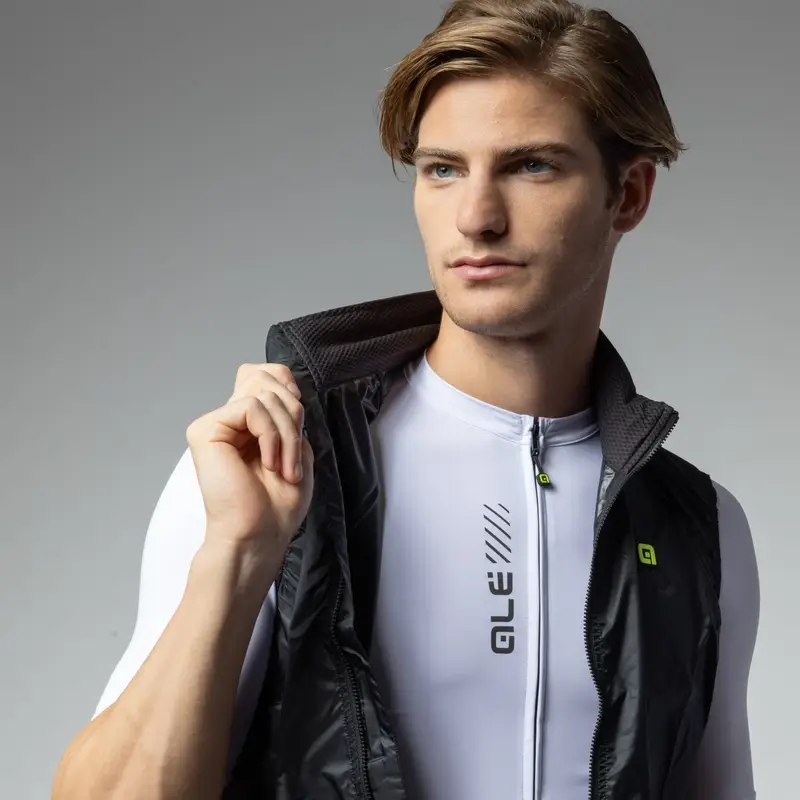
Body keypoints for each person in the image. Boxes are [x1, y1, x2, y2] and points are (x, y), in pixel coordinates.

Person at [52, 1, 760, 798]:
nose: (476, 218)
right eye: (443, 169)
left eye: (531, 166)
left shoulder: (699, 529)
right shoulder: (272, 470)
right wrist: (238, 557)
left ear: (627, 194)